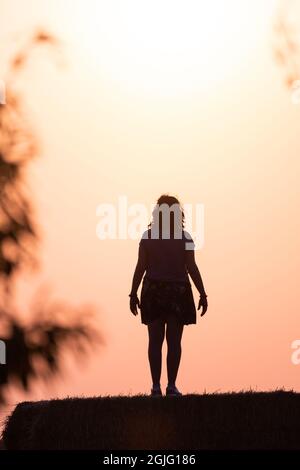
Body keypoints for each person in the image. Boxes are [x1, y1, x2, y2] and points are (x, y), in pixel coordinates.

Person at [129, 194, 208, 397]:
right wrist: (203, 293)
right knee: (174, 341)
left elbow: (141, 267)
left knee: (154, 341)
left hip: (153, 291)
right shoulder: (186, 238)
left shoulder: (148, 238)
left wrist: (133, 293)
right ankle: (171, 386)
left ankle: (156, 386)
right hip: (177, 292)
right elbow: (191, 267)